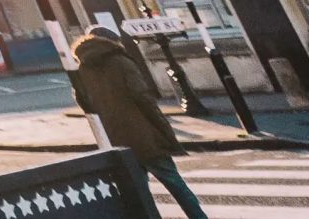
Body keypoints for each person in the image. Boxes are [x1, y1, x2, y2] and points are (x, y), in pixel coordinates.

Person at [70, 25, 207, 218]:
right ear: (112, 42)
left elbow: (86, 105)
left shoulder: (82, 70)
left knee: (140, 194)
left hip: (117, 139)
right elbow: (143, 97)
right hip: (145, 136)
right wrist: (164, 130)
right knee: (176, 185)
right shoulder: (121, 61)